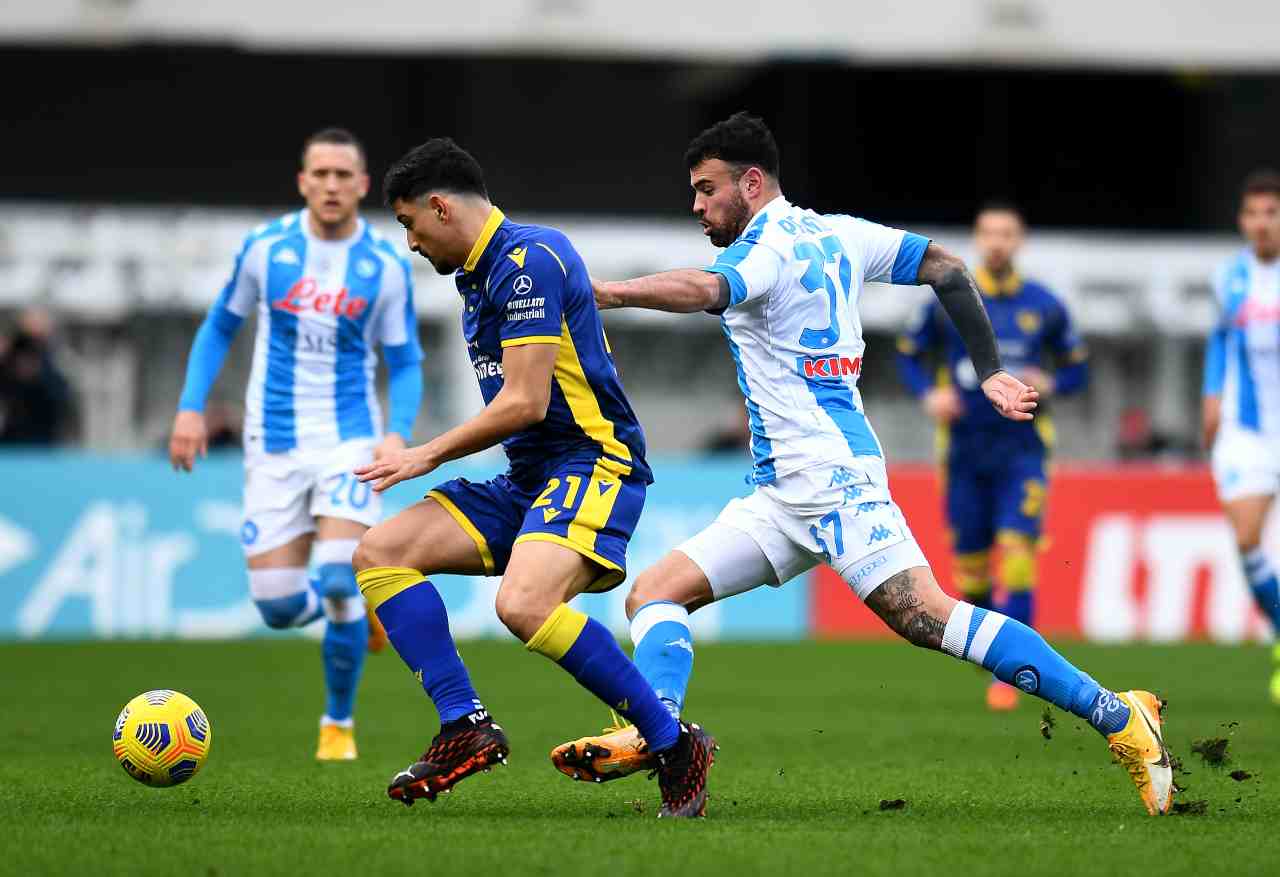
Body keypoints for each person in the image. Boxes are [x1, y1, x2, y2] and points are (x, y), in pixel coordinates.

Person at [551, 112, 1174, 817]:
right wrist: (990, 369)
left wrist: (610, 292)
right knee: (654, 593)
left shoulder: (767, 247)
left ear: (751, 183)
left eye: (707, 189)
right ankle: (662, 736)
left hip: (832, 476)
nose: (697, 206)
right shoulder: (841, 232)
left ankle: (1119, 714)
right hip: (784, 489)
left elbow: (709, 290)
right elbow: (947, 265)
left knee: (929, 617)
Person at [350, 138, 715, 818]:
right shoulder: (477, 278)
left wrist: (426, 452)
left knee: (522, 603)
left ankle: (673, 746)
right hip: (529, 479)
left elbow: (525, 402)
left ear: (439, 205)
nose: (410, 242)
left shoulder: (527, 260)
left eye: (408, 223)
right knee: (380, 552)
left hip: (593, 463)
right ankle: (465, 726)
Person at [169, 128, 423, 761]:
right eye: (321, 174)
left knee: (341, 574)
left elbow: (407, 360)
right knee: (279, 608)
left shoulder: (386, 264)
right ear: (303, 181)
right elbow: (219, 326)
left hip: (349, 441)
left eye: (344, 175)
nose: (332, 185)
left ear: (362, 185)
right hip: (273, 442)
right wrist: (190, 409)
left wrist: (396, 432)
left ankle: (336, 726)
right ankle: (356, 618)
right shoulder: (265, 248)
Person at [896, 202, 1088, 710]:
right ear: (979, 239)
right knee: (973, 572)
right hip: (963, 453)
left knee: (1019, 557)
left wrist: (1052, 381)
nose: (997, 242)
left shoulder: (1044, 304)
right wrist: (928, 395)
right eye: (989, 233)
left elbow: (1076, 370)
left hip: (1022, 451)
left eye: (1006, 233)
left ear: (1019, 240)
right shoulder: (949, 300)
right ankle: (997, 658)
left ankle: (1020, 673)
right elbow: (909, 355)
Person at [1202, 169, 1280, 703]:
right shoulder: (1229, 277)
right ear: (1242, 220)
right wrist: (1211, 398)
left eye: (1271, 213)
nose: (1262, 224)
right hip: (1248, 430)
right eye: (1253, 214)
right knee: (1248, 539)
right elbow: (1219, 340)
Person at [0, 307, 74, 444]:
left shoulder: (51, 370)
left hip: (43, 441)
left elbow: (63, 401)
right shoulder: (7, 365)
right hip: (11, 442)